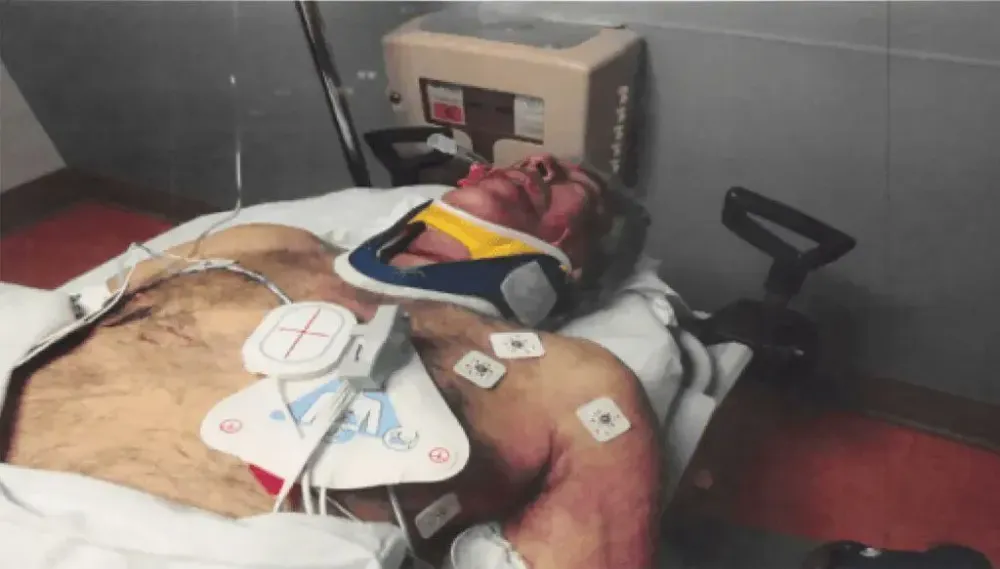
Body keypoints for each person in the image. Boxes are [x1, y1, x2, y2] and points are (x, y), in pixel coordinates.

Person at [3, 154, 663, 569]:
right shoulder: (264, 241)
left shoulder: (576, 384)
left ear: (583, 264)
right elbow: (73, 314)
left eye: (573, 183)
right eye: (516, 161)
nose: (537, 162)